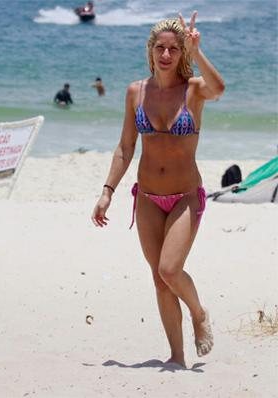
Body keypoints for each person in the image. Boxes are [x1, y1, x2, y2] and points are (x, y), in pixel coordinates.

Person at [91, 12, 224, 367]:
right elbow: (125, 147)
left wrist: (198, 53)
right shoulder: (136, 91)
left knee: (169, 269)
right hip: (147, 197)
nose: (166, 55)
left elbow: (220, 89)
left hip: (184, 197)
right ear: (150, 52)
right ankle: (177, 357)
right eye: (160, 48)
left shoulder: (194, 89)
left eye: (174, 50)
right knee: (160, 280)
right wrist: (107, 191)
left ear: (181, 54)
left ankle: (198, 312)